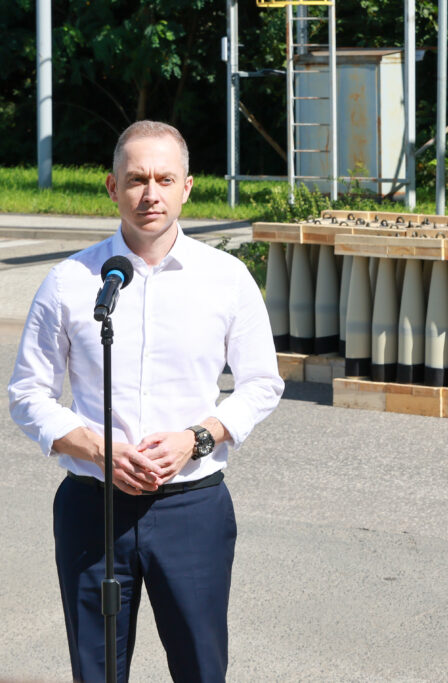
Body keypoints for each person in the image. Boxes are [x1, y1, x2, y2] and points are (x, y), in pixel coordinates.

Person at [8, 120, 284, 682]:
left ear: (187, 187)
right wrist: (92, 447)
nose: (150, 193)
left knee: (201, 670)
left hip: (192, 508)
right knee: (98, 672)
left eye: (164, 178)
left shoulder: (226, 278)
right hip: (93, 507)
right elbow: (27, 393)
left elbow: (262, 383)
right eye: (136, 179)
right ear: (112, 187)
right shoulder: (71, 281)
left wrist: (198, 437)